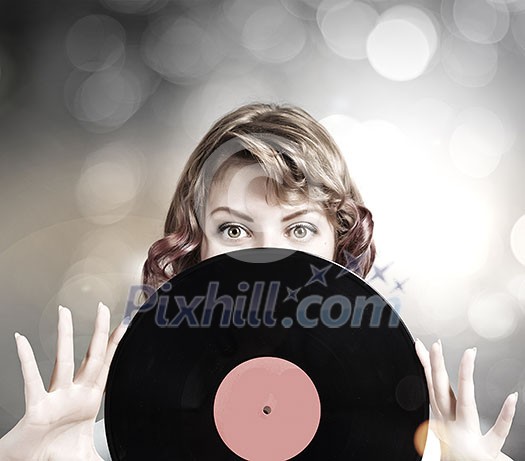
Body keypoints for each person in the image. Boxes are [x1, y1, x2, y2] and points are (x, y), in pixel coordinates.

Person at [0, 103, 518, 460]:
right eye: (233, 229)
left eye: (298, 228)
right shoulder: (112, 443)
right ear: (194, 249)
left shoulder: (418, 446)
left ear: (338, 249)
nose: (268, 260)